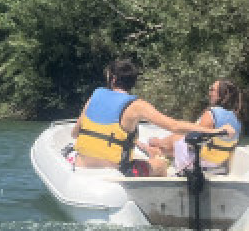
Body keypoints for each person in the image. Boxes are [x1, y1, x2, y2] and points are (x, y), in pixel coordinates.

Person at [71, 59, 218, 177]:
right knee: (161, 164)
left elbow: (75, 133)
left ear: (113, 79)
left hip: (81, 164)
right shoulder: (137, 105)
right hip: (117, 171)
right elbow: (174, 126)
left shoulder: (95, 96)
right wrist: (212, 131)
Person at [147, 79, 243, 175]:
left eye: (212, 90)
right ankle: (156, 149)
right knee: (175, 142)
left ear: (222, 95)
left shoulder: (211, 114)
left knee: (177, 137)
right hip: (218, 164)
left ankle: (155, 144)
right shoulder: (236, 119)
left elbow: (193, 140)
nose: (209, 93)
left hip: (199, 163)